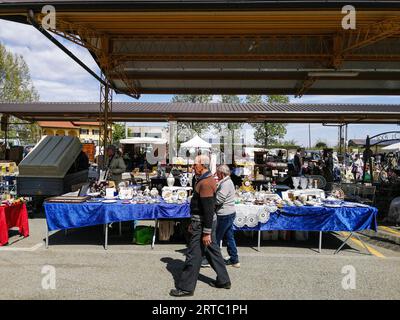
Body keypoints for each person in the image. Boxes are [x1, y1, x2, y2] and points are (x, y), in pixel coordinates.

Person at [170, 155, 231, 297]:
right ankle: (224, 280)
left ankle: (186, 287)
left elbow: (209, 210)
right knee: (212, 251)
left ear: (203, 166)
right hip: (201, 222)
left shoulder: (206, 183)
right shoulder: (203, 180)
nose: (192, 167)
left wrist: (206, 232)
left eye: (195, 165)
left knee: (193, 255)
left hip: (203, 223)